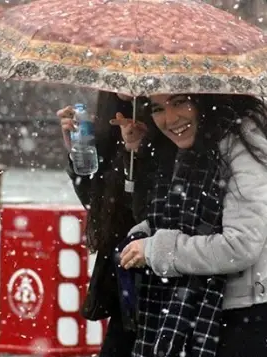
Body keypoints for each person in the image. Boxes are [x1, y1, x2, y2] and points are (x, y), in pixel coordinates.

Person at [118, 93, 267, 357]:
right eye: (157, 108)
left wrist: (157, 250)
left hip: (243, 319)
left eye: (179, 102)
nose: (170, 118)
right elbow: (178, 216)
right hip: (190, 309)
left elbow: (240, 246)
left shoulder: (243, 145)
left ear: (204, 99)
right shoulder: (189, 145)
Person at [56, 91, 176, 357]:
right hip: (125, 278)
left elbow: (151, 210)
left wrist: (139, 153)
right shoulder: (113, 115)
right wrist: (77, 154)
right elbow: (96, 203)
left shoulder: (169, 118)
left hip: (163, 279)